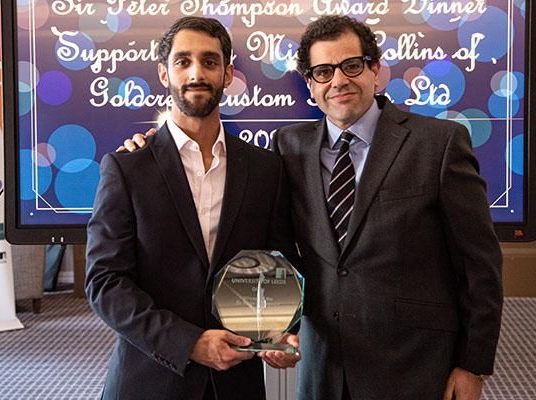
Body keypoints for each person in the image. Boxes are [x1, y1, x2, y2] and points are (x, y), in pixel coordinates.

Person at [122, 15, 502, 400]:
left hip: (414, 366)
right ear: (310, 84)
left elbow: (479, 265)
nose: (338, 81)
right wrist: (155, 150)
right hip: (325, 369)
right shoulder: (290, 147)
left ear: (375, 69)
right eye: (323, 71)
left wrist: (472, 364)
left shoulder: (438, 144)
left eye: (351, 65)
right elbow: (279, 252)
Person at [86, 16, 299, 400]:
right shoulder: (126, 167)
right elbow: (105, 283)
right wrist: (189, 343)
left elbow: (278, 263)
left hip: (238, 382)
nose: (196, 73)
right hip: (151, 379)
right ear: (164, 73)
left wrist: (279, 329)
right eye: (183, 61)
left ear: (228, 73)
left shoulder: (265, 168)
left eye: (210, 61)